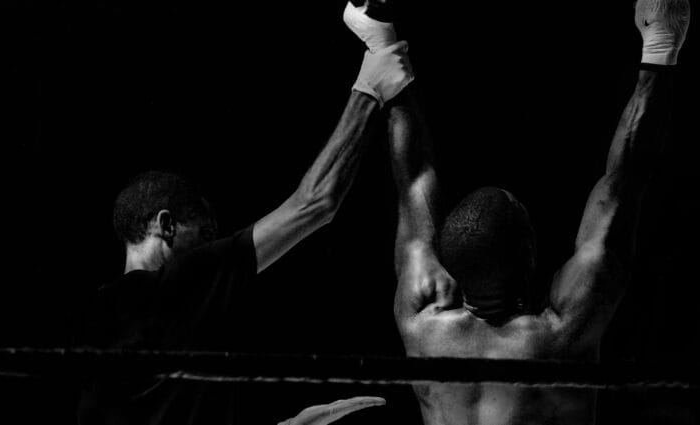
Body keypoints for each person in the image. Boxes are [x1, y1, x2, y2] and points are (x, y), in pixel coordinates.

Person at [342, 0, 690, 423]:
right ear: (530, 256)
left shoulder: (422, 322)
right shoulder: (558, 338)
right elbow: (623, 183)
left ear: (448, 265)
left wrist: (384, 47)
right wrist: (660, 43)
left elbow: (414, 178)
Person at [75, 13, 417, 425]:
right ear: (166, 226)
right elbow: (315, 203)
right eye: (204, 236)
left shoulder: (94, 319)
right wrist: (373, 77)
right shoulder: (183, 281)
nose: (212, 248)